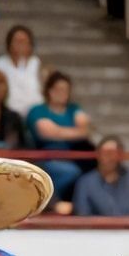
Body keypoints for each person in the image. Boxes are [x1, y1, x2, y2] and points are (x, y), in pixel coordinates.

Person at [28, 71, 94, 200]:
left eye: (65, 90)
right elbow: (47, 133)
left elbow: (86, 130)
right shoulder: (37, 110)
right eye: (58, 89)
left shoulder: (73, 109)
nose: (62, 93)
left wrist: (59, 131)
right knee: (72, 172)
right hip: (46, 158)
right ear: (49, 91)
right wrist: (75, 132)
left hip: (74, 156)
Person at [72, 135, 129, 217]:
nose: (110, 157)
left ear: (121, 155)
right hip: (99, 230)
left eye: (115, 153)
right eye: (106, 153)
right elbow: (82, 214)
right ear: (98, 154)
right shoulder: (85, 183)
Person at [0, 26, 45, 117]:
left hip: (36, 115)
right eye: (17, 41)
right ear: (9, 44)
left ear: (31, 45)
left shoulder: (40, 65)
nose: (20, 44)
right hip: (7, 114)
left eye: (24, 41)